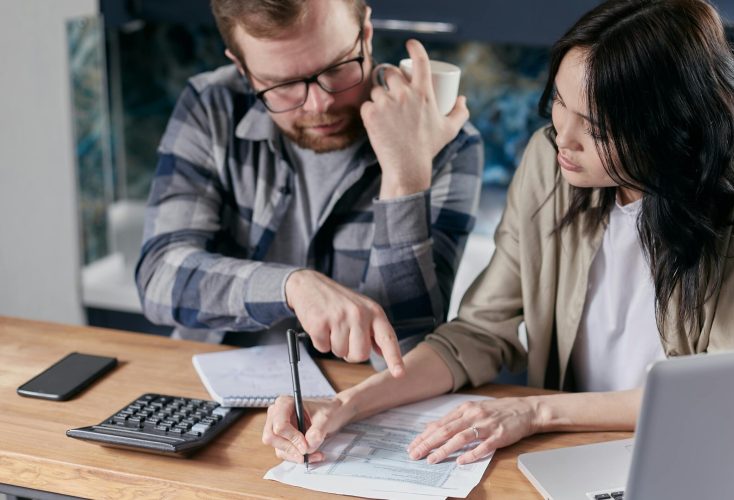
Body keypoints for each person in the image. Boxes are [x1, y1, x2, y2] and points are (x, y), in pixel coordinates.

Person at [262, 0, 734, 466]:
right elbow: (478, 333)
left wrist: (535, 410)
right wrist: (348, 404)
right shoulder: (550, 163)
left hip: (687, 455)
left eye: (596, 127)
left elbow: (726, 395)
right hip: (568, 451)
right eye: (561, 102)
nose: (562, 137)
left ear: (667, 127)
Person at [135, 0, 484, 375]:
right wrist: (291, 288)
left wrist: (405, 178)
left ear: (365, 34)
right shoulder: (212, 106)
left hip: (358, 402)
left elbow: (407, 355)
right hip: (211, 386)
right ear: (243, 69)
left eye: (336, 68)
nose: (320, 104)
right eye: (282, 84)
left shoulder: (446, 142)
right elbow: (158, 277)